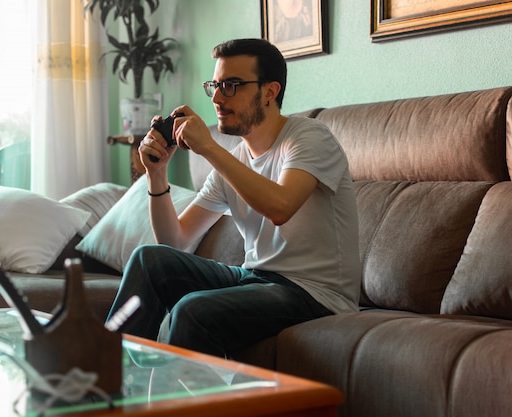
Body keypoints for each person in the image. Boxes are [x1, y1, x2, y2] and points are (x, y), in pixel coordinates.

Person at [106, 38, 360, 358]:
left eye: (231, 85)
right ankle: (102, 380)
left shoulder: (309, 137)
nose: (216, 97)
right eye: (214, 85)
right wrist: (156, 176)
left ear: (270, 91)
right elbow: (175, 242)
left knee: (191, 311)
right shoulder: (235, 158)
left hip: (315, 295)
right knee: (149, 259)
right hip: (255, 278)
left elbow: (280, 207)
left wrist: (209, 148)